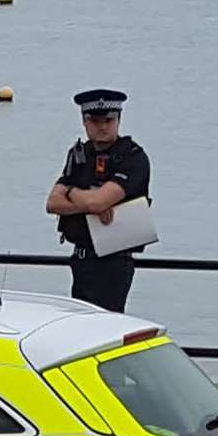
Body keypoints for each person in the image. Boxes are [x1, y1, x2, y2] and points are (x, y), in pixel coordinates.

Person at [45, 88, 151, 312]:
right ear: (84, 121)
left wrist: (72, 192)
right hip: (81, 259)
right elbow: (53, 203)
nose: (102, 126)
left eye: (109, 120)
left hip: (114, 261)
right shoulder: (79, 155)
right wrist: (87, 198)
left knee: (106, 325)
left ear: (118, 120)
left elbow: (97, 203)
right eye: (95, 120)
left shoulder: (133, 157)